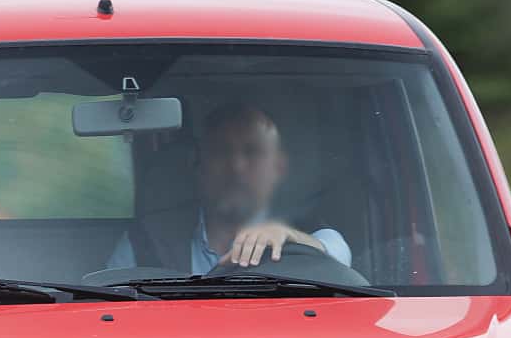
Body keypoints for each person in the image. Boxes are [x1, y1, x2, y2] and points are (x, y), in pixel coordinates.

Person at [108, 103, 351, 274]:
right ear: (199, 165)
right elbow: (107, 309)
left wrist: (292, 240)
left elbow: (340, 255)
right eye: (221, 152)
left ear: (278, 167)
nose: (236, 166)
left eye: (252, 152)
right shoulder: (145, 241)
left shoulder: (303, 232)